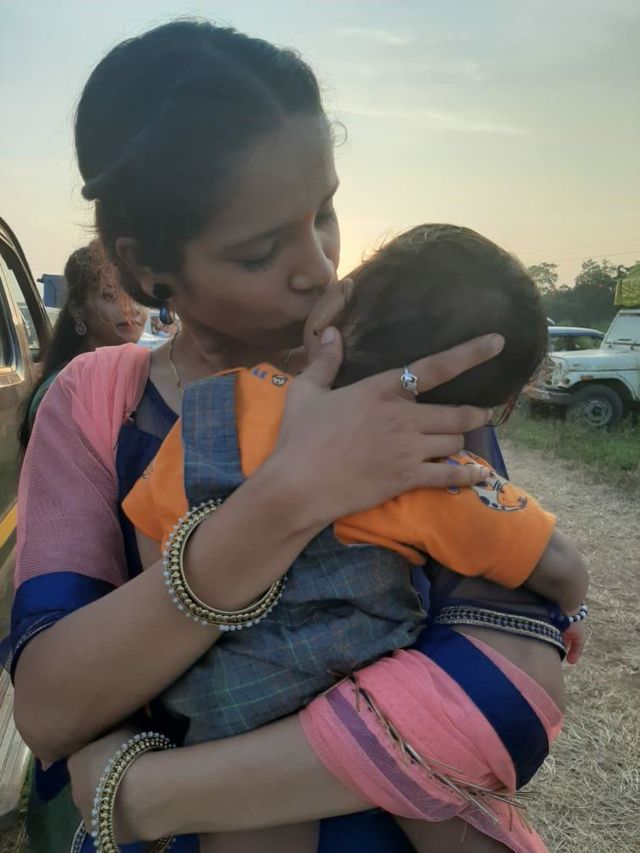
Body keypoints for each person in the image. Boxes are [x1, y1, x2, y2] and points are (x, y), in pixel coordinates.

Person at [10, 20, 510, 853]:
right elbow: (52, 706)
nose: (319, 266)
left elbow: (510, 689)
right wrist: (285, 501)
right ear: (146, 266)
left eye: (326, 211)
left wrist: (152, 793)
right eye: (259, 250)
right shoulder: (98, 403)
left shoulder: (399, 376)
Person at [122, 224, 588, 852]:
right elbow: (558, 563)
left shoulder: (219, 405)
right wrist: (570, 610)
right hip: (363, 690)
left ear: (345, 314)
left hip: (227, 698)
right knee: (438, 800)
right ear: (490, 406)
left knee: (250, 826)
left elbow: (149, 521)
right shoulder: (430, 472)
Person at [18, 240, 147, 450]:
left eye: (137, 295)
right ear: (77, 309)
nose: (130, 308)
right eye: (110, 296)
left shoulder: (141, 372)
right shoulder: (64, 390)